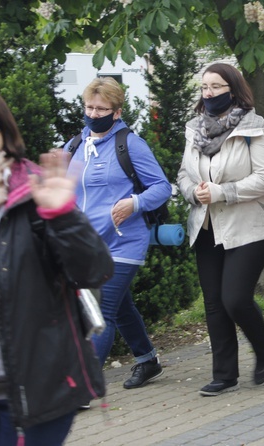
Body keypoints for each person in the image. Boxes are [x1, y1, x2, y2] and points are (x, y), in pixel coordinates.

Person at [0, 84, 113, 445]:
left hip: (35, 392)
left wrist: (62, 217)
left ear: (2, 133)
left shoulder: (35, 197)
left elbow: (93, 271)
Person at [177, 63, 264, 396]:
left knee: (235, 299)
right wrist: (193, 192)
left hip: (249, 226)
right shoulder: (194, 128)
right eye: (204, 87)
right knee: (213, 303)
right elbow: (183, 174)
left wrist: (222, 192)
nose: (208, 93)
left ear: (232, 89)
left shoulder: (255, 125)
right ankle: (224, 374)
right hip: (207, 224)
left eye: (216, 87)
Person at [64, 77, 172, 391]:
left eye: (101, 108)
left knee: (102, 310)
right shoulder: (74, 146)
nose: (93, 113)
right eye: (89, 107)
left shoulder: (129, 144)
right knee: (121, 306)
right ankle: (148, 360)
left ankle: (84, 387)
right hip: (87, 245)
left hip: (123, 241)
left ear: (116, 111)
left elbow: (161, 187)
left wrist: (134, 202)